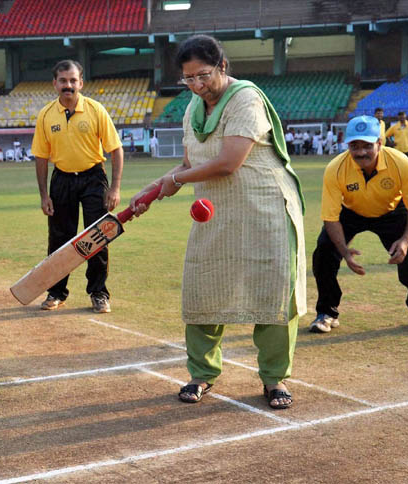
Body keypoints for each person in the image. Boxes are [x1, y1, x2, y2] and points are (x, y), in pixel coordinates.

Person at [128, 34, 306, 409]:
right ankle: (202, 374)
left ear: (222, 66)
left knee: (272, 291)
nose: (197, 85)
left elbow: (227, 162)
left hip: (266, 210)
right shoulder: (193, 107)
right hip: (218, 211)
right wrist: (156, 187)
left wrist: (175, 180)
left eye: (203, 75)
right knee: (202, 285)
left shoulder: (245, 98)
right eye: (188, 78)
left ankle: (275, 379)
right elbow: (192, 165)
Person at [310, 115, 408, 335]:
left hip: (392, 211)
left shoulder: (401, 163)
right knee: (324, 251)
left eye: (367, 145)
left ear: (379, 144)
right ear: (347, 145)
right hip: (351, 211)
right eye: (355, 146)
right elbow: (331, 217)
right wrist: (344, 251)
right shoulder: (335, 169)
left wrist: (405, 240)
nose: (361, 152)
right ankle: (326, 312)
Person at [33, 59, 123, 314]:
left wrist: (114, 188)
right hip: (61, 179)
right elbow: (41, 157)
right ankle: (56, 292)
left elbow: (116, 150)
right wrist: (44, 195)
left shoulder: (95, 110)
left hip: (93, 177)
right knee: (59, 239)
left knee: (97, 237)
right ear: (55, 84)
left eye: (73, 81)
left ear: (81, 83)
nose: (68, 85)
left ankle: (99, 293)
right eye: (63, 81)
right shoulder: (46, 115)